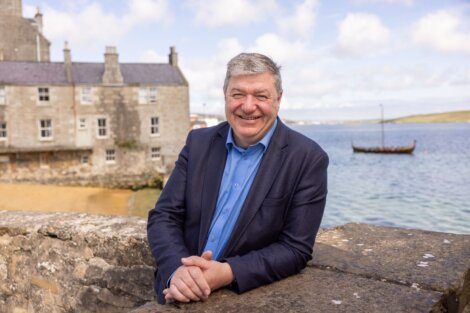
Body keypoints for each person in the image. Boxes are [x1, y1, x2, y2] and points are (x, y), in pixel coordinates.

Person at [147, 52, 328, 304]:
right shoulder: (198, 143)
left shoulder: (307, 158)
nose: (247, 106)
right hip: (176, 289)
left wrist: (227, 272)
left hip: (235, 296)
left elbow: (295, 249)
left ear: (279, 99)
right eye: (238, 94)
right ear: (225, 97)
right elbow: (164, 216)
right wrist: (178, 272)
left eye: (261, 96)